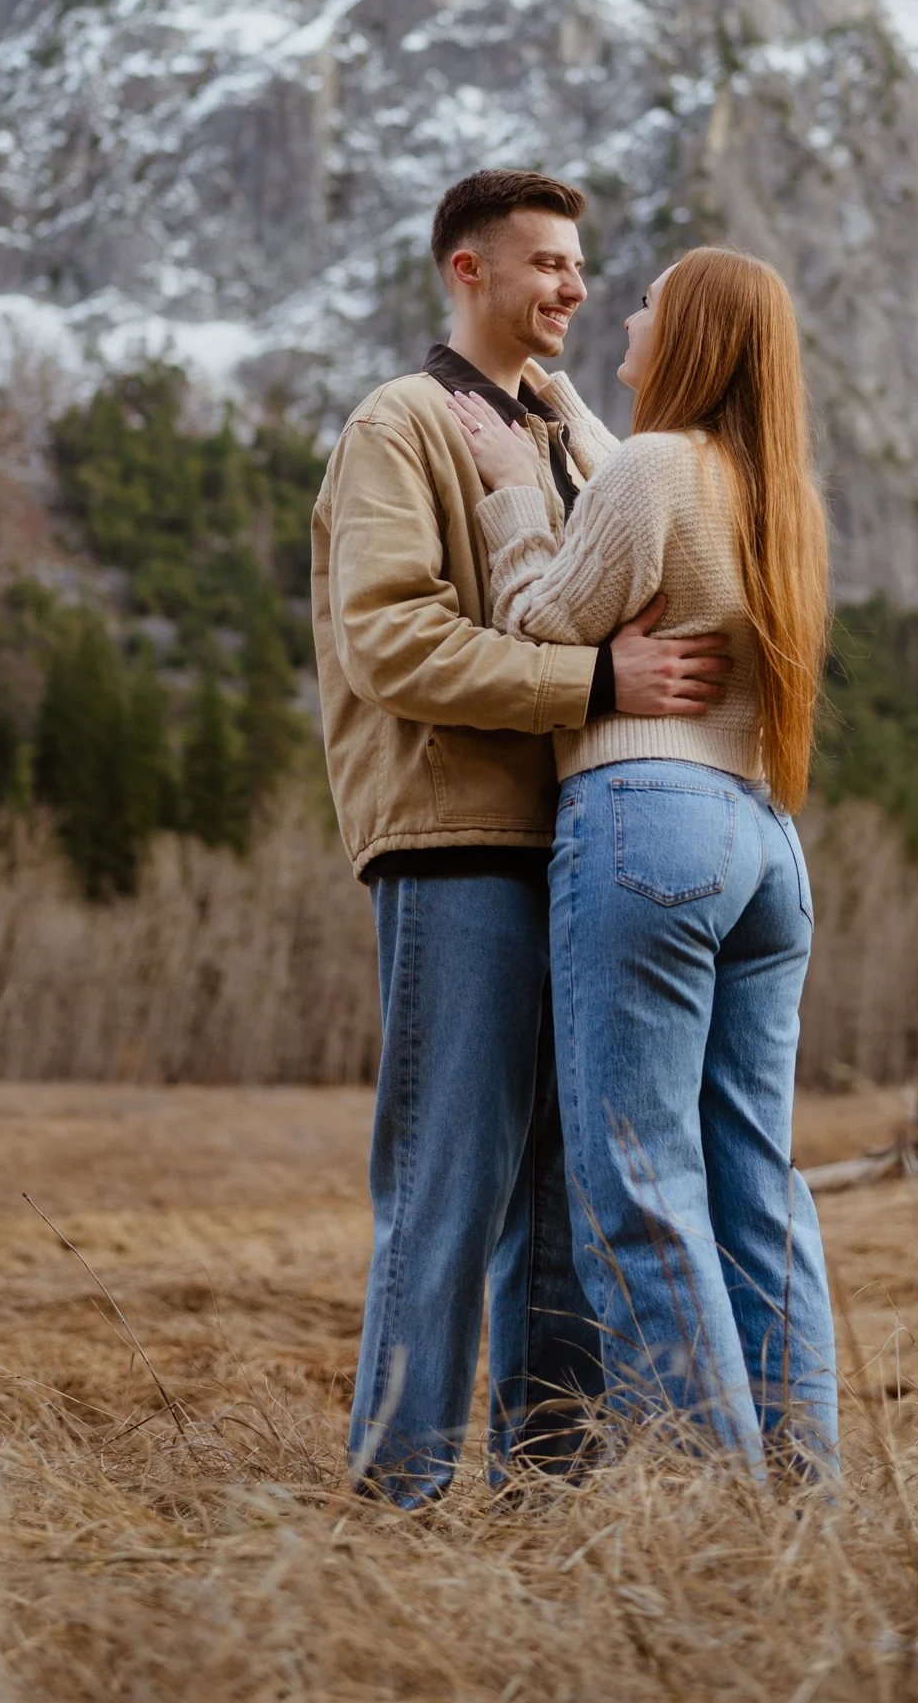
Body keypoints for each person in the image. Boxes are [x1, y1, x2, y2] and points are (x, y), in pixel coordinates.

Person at [311, 171, 732, 1506]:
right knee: (449, 1181)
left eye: (579, 264)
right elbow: (388, 643)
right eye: (543, 262)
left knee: (558, 1195)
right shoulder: (397, 426)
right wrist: (594, 685)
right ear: (466, 272)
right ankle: (399, 1495)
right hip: (454, 848)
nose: (571, 286)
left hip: (577, 854)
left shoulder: (576, 429)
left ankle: (544, 1488)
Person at [448, 246, 839, 1472]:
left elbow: (536, 623)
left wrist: (515, 491)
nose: (620, 313)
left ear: (690, 341)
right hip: (762, 842)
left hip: (644, 822)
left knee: (637, 1180)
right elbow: (635, 501)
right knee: (753, 1189)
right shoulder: (769, 493)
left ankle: (718, 1515)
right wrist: (560, 412)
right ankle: (796, 1500)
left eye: (649, 305)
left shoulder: (658, 470)